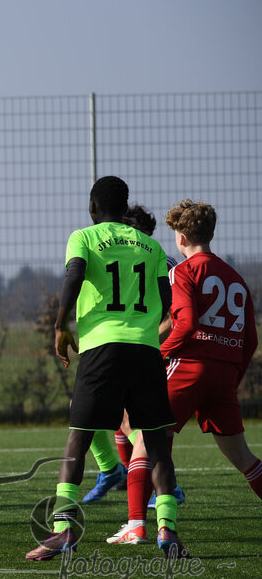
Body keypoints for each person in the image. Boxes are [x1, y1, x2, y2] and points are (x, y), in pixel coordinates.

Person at [26, 176, 184, 561]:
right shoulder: (149, 245)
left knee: (78, 440)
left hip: (102, 351)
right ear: (125, 207)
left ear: (93, 206)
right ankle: (168, 530)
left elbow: (75, 275)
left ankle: (63, 530)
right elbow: (166, 299)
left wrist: (60, 324)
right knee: (158, 445)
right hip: (146, 351)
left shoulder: (83, 236)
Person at [108, 200, 260, 546]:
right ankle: (154, 522)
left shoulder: (183, 272)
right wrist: (231, 377)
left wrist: (157, 353)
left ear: (179, 237)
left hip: (188, 368)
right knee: (244, 458)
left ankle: (136, 525)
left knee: (145, 442)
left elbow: (187, 322)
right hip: (224, 374)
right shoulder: (236, 279)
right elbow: (250, 340)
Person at [81, 203, 185, 503]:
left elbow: (175, 315)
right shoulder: (125, 258)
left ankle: (165, 485)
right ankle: (114, 471)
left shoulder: (161, 262)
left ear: (146, 234)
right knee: (97, 409)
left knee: (133, 420)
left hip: (152, 352)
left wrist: (148, 338)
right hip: (126, 347)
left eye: (132, 230)